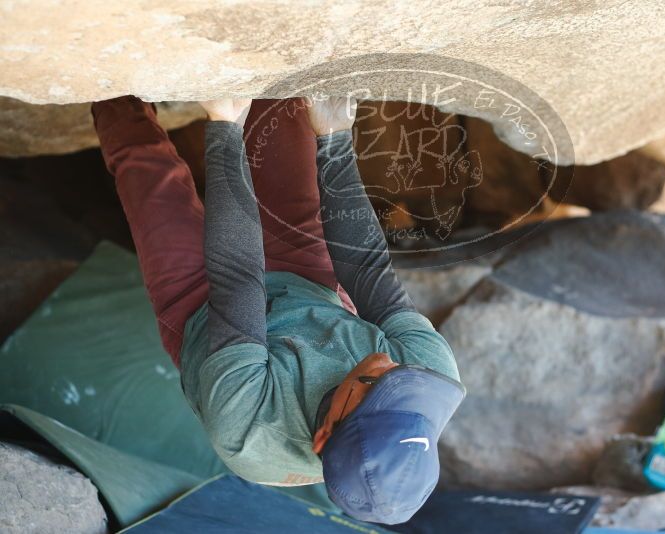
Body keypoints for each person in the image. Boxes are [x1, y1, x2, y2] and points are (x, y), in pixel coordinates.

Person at [91, 95, 465, 524]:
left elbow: (237, 279)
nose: (395, 370)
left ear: (323, 436)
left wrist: (223, 127)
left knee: (147, 171)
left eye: (376, 387)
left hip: (203, 310)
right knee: (284, 114)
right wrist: (335, 140)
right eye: (408, 392)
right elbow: (366, 268)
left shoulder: (248, 431)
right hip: (311, 291)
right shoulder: (431, 379)